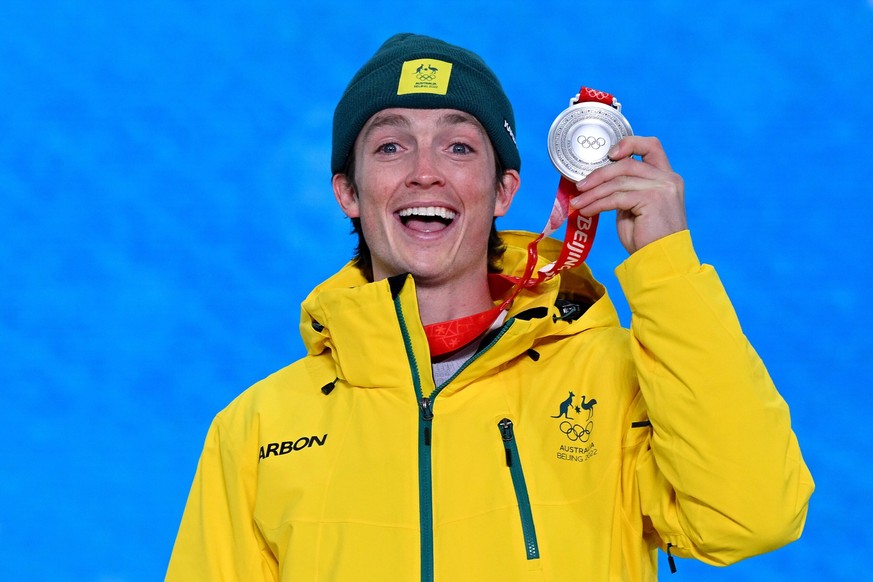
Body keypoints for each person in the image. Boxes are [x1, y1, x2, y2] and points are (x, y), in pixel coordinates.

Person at [166, 33, 813, 581]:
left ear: (503, 189)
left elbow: (752, 514)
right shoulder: (257, 430)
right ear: (348, 192)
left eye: (458, 146)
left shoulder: (613, 377)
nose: (425, 172)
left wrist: (666, 267)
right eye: (390, 146)